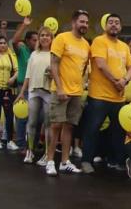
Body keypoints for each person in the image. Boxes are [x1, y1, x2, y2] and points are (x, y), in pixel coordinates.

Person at [79, 14, 131, 174]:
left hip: (119, 97)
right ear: (105, 26)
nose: (114, 25)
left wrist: (124, 81)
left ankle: (115, 161)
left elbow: (130, 68)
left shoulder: (124, 46)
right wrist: (117, 82)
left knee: (118, 131)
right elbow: (101, 65)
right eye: (111, 22)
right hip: (99, 96)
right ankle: (86, 161)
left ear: (121, 27)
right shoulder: (99, 41)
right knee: (92, 129)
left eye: (117, 23)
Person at [45, 10, 91, 176]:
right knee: (56, 125)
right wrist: (59, 88)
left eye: (86, 22)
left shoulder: (86, 44)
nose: (84, 25)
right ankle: (50, 161)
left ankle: (65, 161)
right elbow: (54, 64)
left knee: (69, 127)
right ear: (74, 23)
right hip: (60, 91)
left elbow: (84, 68)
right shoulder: (62, 38)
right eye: (81, 21)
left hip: (76, 92)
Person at [17, 27, 53, 165]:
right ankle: (29, 151)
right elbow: (27, 75)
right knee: (31, 122)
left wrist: (52, 74)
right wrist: (21, 92)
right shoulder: (34, 54)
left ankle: (46, 155)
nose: (44, 38)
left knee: (48, 124)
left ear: (51, 38)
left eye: (47, 36)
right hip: (33, 91)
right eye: (42, 35)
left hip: (48, 92)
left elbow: (58, 74)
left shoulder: (54, 55)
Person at [11, 17, 37, 150]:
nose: (36, 42)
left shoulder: (38, 53)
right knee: (22, 116)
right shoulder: (22, 50)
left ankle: (31, 143)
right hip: (23, 88)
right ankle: (20, 143)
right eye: (34, 40)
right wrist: (24, 25)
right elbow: (14, 41)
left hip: (35, 88)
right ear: (27, 41)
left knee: (35, 118)